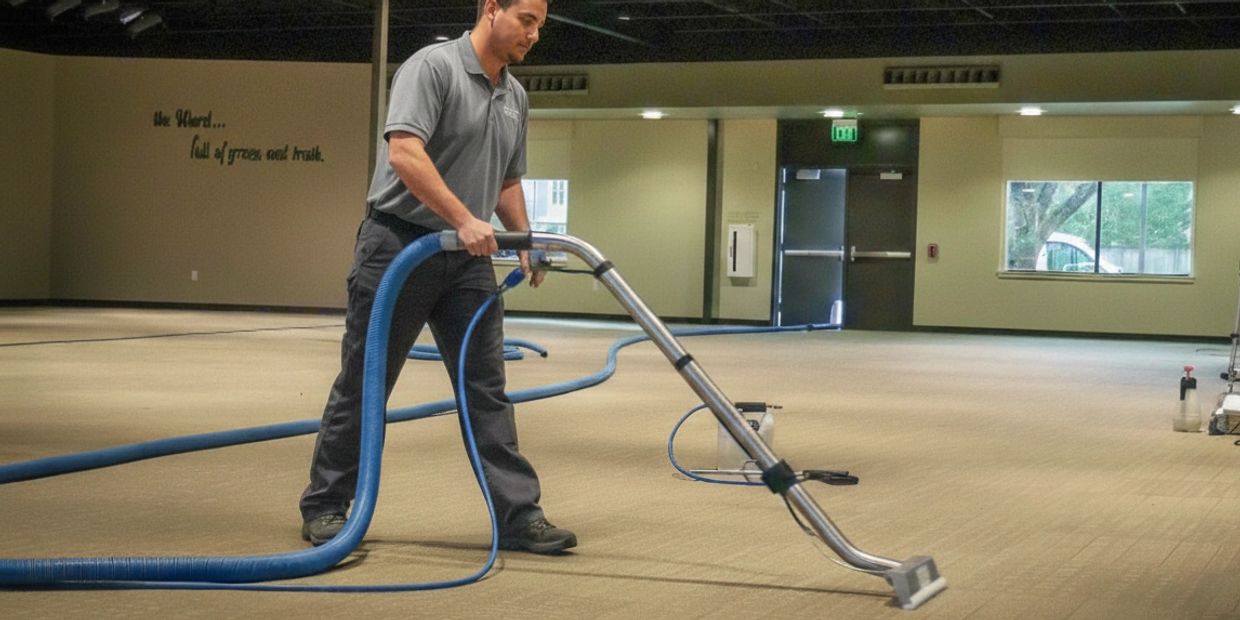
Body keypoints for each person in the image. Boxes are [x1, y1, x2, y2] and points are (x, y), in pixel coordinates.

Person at [299, 0, 575, 555]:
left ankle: (518, 515)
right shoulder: (432, 68)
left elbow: (506, 182)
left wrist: (527, 242)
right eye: (527, 20)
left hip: (466, 260)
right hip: (399, 245)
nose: (535, 34)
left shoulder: (514, 96)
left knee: (486, 388)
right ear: (491, 9)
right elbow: (405, 153)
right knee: (366, 381)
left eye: (541, 24)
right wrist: (463, 219)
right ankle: (326, 505)